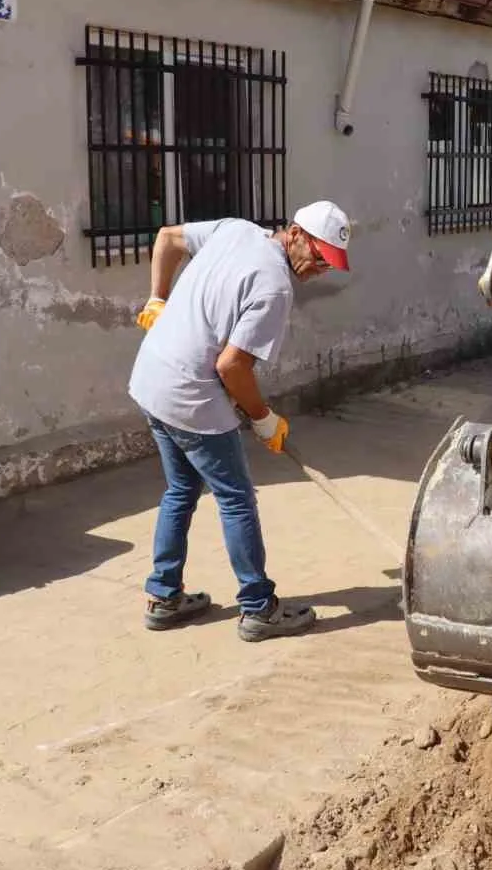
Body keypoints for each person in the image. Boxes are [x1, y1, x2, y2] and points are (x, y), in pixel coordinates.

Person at [127, 202, 352, 641]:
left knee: (181, 489)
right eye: (320, 256)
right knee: (236, 499)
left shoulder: (235, 229)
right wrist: (263, 418)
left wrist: (158, 297)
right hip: (189, 393)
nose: (321, 269)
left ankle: (163, 595)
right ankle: (258, 607)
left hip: (151, 377)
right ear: (296, 234)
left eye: (331, 264)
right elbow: (232, 368)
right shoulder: (274, 288)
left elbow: (167, 239)